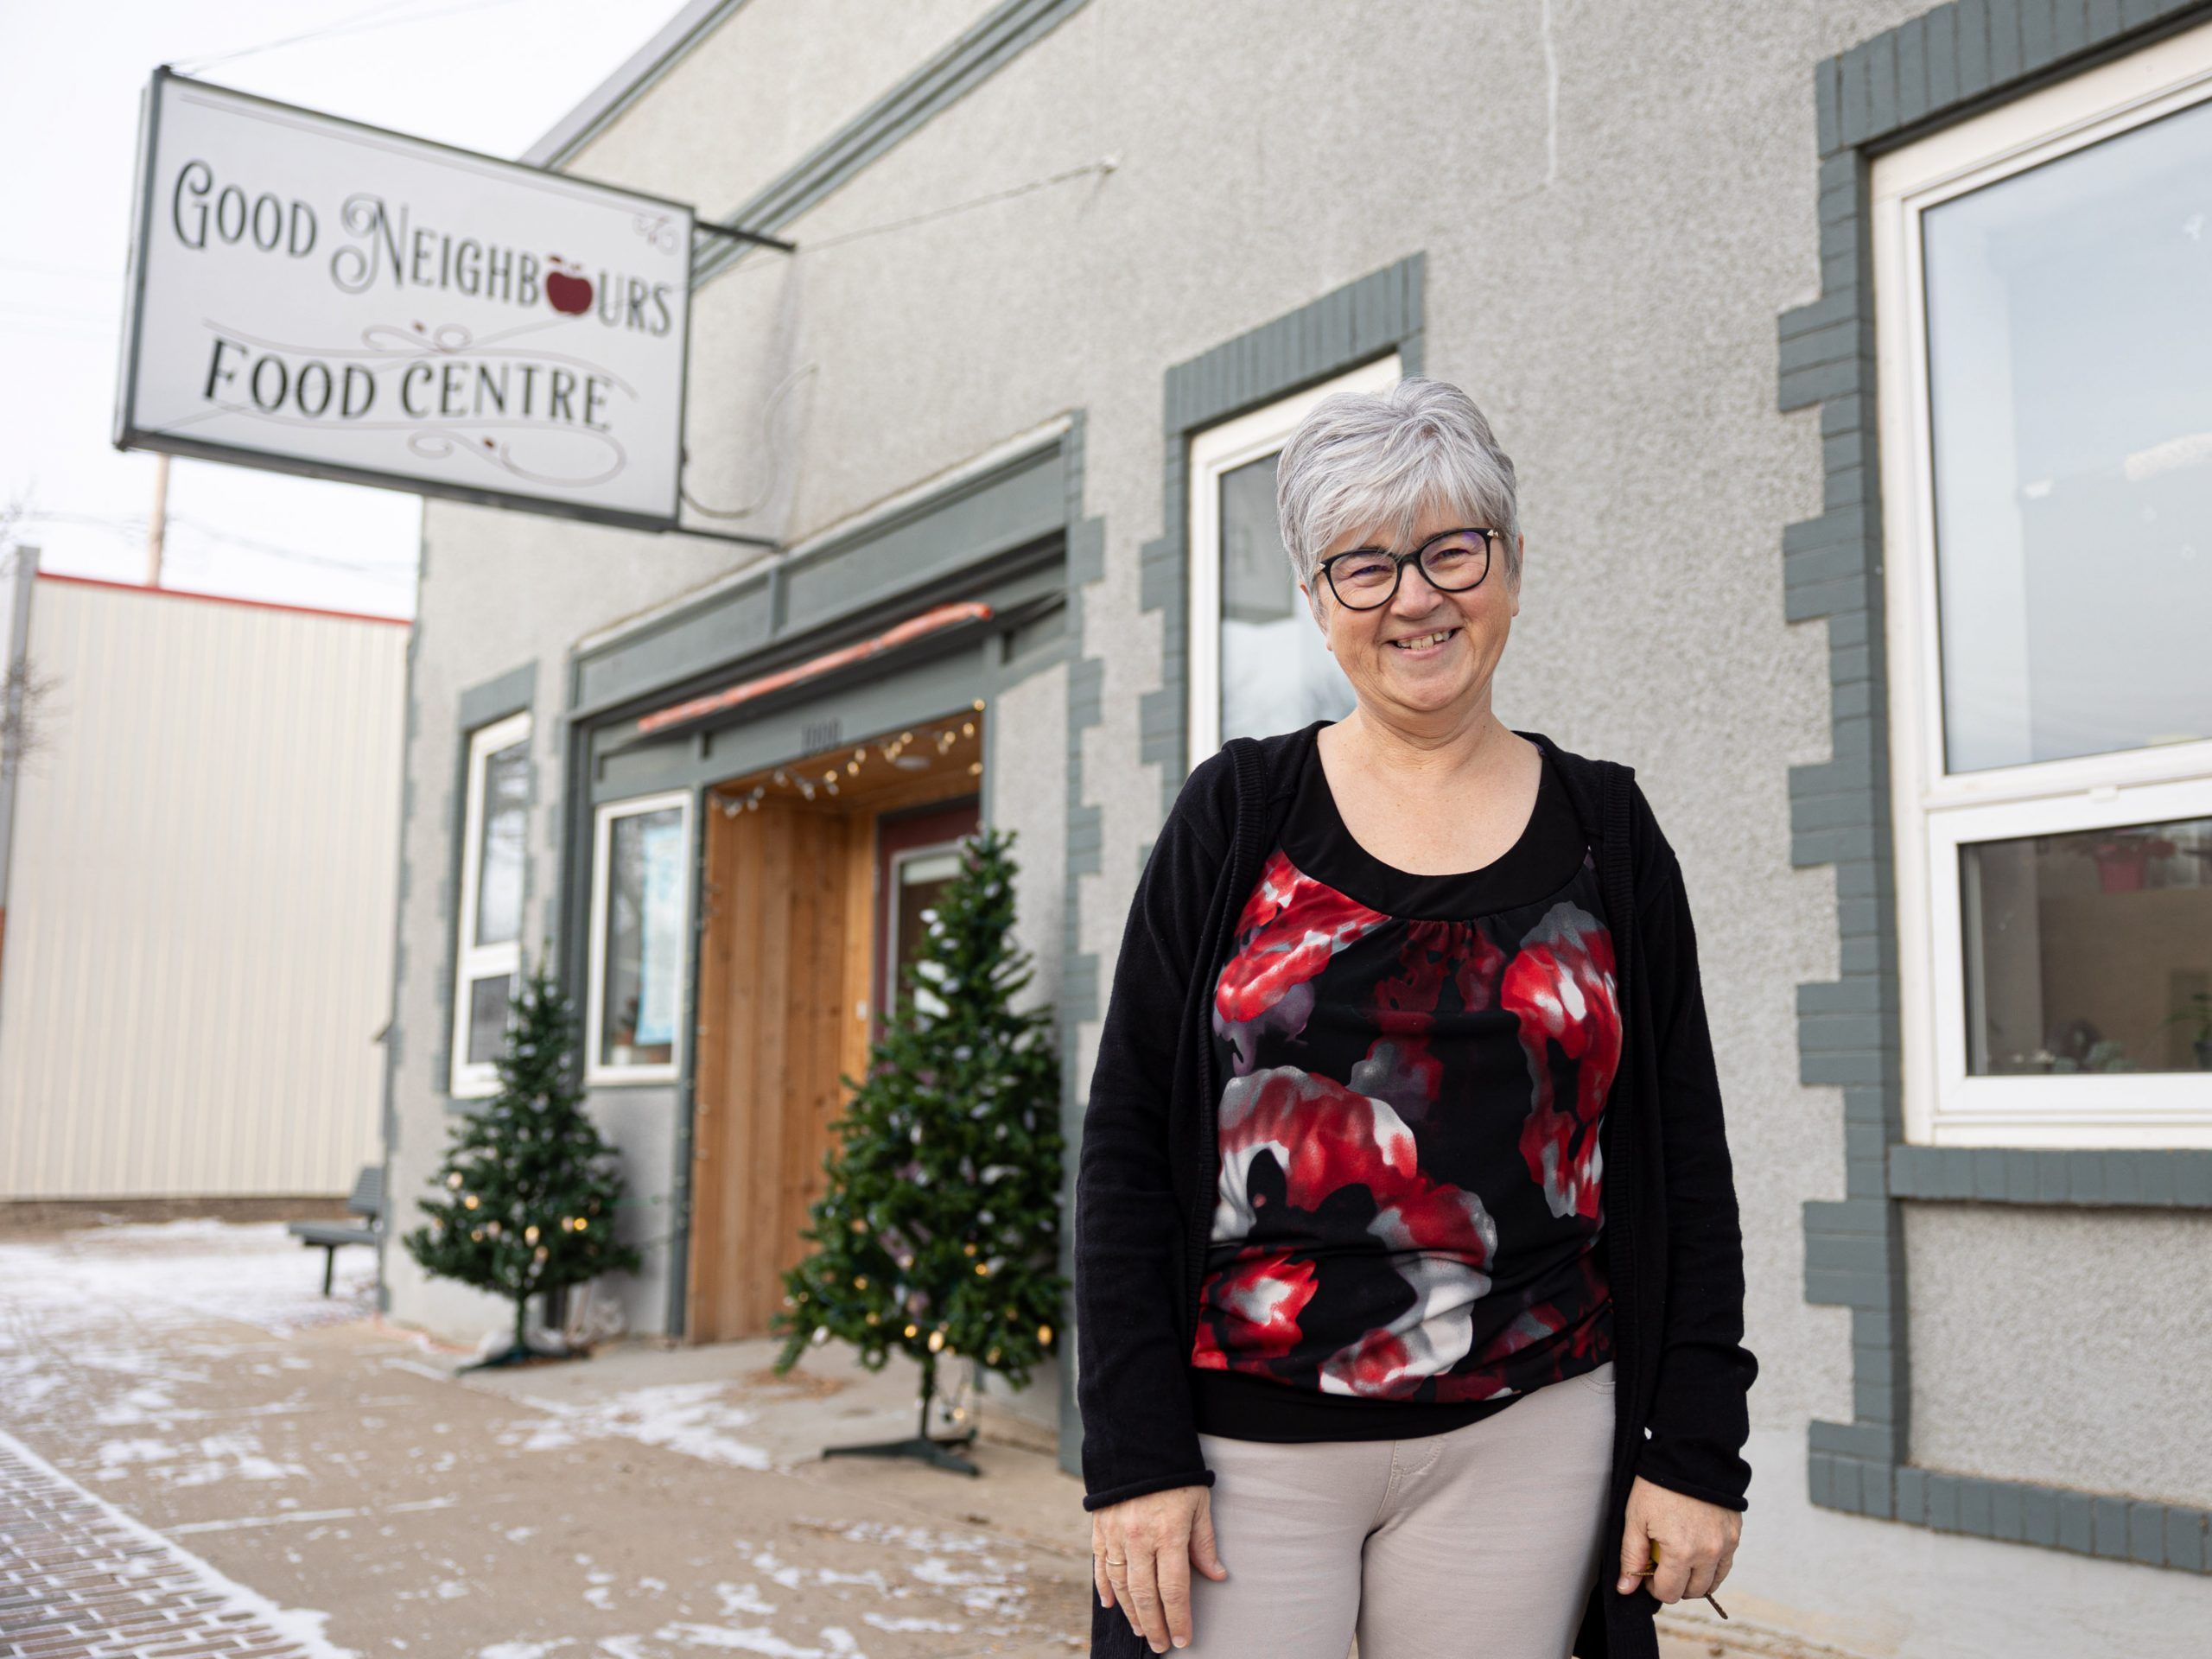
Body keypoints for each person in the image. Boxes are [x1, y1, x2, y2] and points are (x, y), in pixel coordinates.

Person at [1072, 376, 1758, 1659]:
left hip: (1532, 1439)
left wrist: (1698, 1449)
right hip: (1241, 1452)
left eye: (1452, 549)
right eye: (1364, 565)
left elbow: (1684, 1153)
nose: (1415, 598)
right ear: (1319, 600)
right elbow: (1124, 1154)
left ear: (1508, 565)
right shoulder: (1238, 818)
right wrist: (1132, 1458)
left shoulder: (1608, 831)